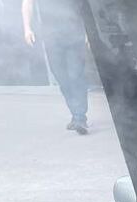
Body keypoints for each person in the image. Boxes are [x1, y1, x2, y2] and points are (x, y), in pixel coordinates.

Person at [23, 0, 89, 134]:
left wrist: (88, 32)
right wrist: (27, 28)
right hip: (52, 37)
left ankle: (80, 117)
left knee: (76, 75)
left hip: (75, 33)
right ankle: (76, 113)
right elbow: (28, 3)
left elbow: (85, 7)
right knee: (62, 77)